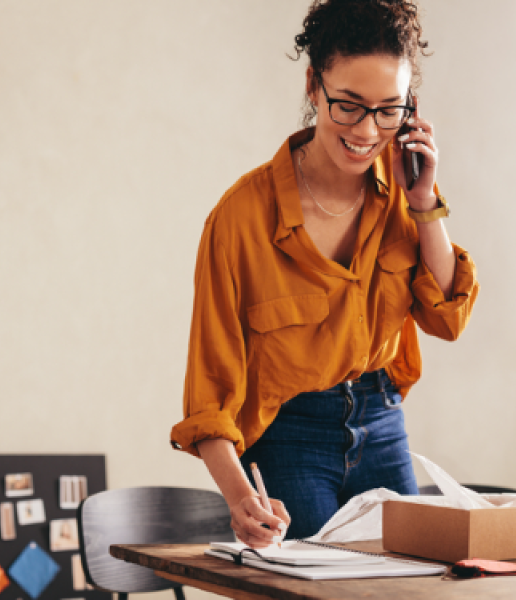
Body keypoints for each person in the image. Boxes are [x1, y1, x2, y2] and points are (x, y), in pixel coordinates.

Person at [169, 0, 479, 548]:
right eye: (349, 105)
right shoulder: (241, 219)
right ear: (314, 84)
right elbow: (209, 395)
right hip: (290, 435)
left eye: (390, 109)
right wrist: (242, 498)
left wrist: (425, 200)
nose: (367, 130)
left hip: (382, 422)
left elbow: (447, 318)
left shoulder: (404, 192)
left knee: (411, 586)